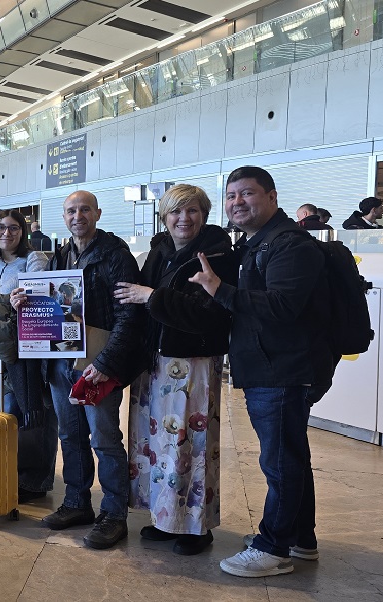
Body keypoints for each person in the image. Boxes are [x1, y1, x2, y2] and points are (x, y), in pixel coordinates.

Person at [189, 166, 337, 578]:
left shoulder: (289, 245)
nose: (238, 202)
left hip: (284, 370)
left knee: (280, 462)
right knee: (290, 457)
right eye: (232, 195)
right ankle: (300, 538)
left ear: (272, 197)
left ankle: (273, 547)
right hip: (271, 366)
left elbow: (282, 307)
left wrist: (220, 290)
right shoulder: (259, 243)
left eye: (248, 194)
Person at [12, 190, 141, 550]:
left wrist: (105, 363)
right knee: (69, 437)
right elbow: (52, 306)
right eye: (71, 210)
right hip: (61, 363)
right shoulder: (60, 258)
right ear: (63, 217)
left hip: (97, 365)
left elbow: (129, 316)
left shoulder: (116, 256)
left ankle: (114, 514)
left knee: (103, 439)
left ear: (97, 213)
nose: (78, 215)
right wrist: (24, 302)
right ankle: (76, 502)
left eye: (85, 209)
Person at [115, 184, 238, 556]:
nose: (183, 219)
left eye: (192, 211)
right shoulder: (160, 251)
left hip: (192, 364)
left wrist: (151, 296)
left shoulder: (217, 255)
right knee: (159, 446)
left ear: (204, 214)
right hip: (155, 363)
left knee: (191, 444)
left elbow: (207, 315)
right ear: (164, 217)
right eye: (175, 212)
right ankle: (167, 518)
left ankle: (196, 527)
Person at [0, 209, 57, 504]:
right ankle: (18, 472)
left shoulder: (34, 260)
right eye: (1, 228)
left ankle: (36, 480)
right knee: (11, 413)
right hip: (3, 353)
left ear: (23, 232)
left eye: (14, 228)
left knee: (34, 414)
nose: (7, 234)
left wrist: (16, 305)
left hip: (29, 352)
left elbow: (42, 298)